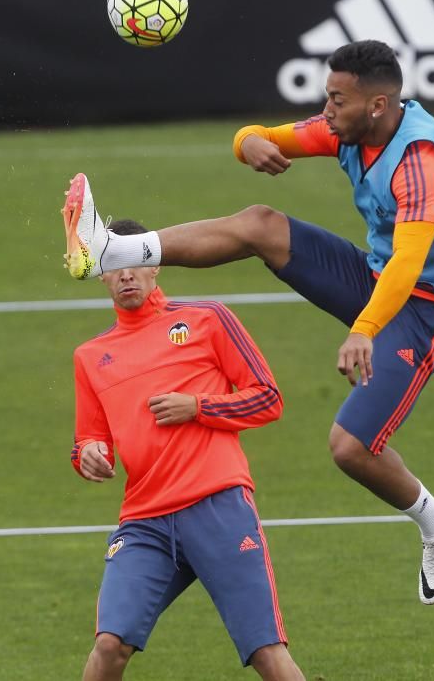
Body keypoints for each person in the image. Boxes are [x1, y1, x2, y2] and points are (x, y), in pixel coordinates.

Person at [61, 40, 434, 606]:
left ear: (379, 105)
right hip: (379, 276)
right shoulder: (347, 128)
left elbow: (411, 265)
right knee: (261, 224)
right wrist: (251, 145)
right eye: (326, 96)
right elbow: (257, 134)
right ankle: (114, 250)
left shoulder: (421, 167)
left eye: (337, 99)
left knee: (350, 447)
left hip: (431, 307)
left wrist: (364, 329)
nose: (326, 110)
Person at [69, 218, 305, 681]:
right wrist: (90, 455)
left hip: (217, 506)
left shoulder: (207, 319)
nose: (126, 274)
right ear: (101, 274)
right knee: (109, 645)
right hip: (145, 522)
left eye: (136, 260)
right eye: (114, 264)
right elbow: (86, 442)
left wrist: (198, 407)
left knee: (266, 653)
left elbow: (267, 398)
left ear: (155, 264)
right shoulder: (90, 357)